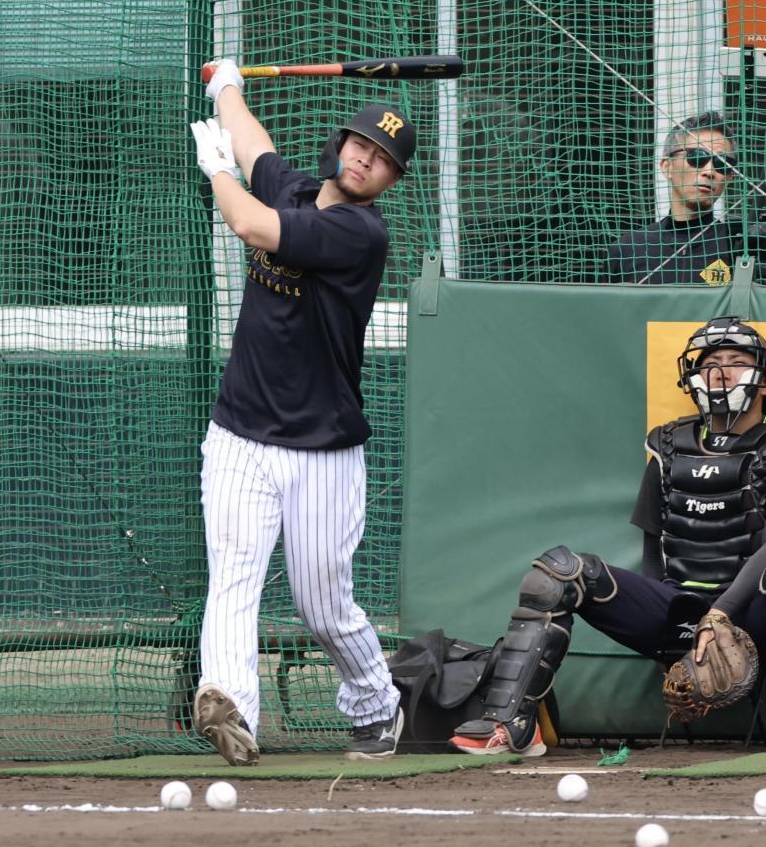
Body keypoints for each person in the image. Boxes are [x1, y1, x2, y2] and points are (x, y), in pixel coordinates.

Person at [187, 59, 415, 765]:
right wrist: (225, 85)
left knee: (323, 604)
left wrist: (216, 169)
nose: (364, 160)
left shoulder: (359, 236)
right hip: (238, 434)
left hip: (321, 446)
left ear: (388, 182)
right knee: (233, 578)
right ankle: (233, 710)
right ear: (338, 144)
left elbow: (250, 225)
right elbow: (255, 144)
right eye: (359, 145)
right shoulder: (292, 187)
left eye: (380, 160)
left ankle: (376, 707)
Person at [449, 316, 766, 756]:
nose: (721, 371)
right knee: (559, 574)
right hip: (683, 608)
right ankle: (511, 723)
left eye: (737, 361)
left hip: (750, 616)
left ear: (762, 381)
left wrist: (721, 614)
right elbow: (654, 547)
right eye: (711, 362)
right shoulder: (669, 445)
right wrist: (665, 625)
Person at [608, 112, 743, 285]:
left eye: (722, 163)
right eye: (697, 157)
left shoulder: (741, 246)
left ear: (731, 175)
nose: (709, 171)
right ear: (667, 166)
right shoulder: (628, 249)